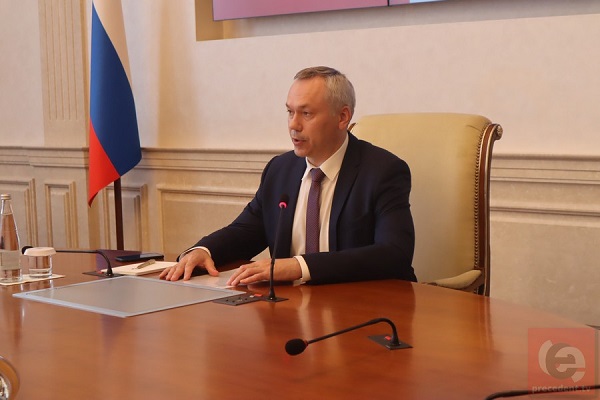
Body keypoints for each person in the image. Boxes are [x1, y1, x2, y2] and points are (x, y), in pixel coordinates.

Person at [160, 66, 416, 286]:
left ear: (342, 117)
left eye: (306, 113)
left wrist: (298, 266)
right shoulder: (280, 169)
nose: (294, 125)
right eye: (290, 112)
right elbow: (246, 230)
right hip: (292, 306)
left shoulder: (383, 171)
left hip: (363, 305)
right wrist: (204, 250)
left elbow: (393, 254)